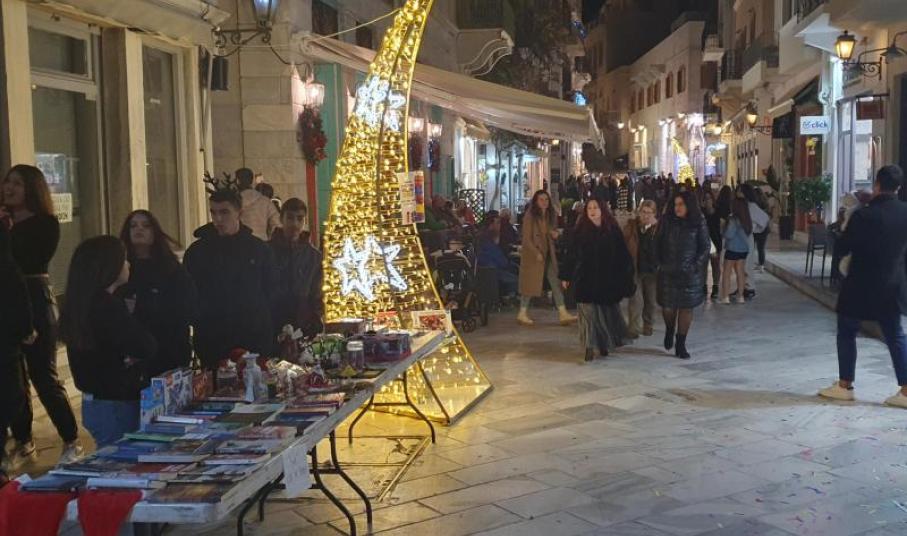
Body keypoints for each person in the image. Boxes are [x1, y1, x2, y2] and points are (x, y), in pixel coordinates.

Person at [0, 165, 81, 465]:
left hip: (35, 298)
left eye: (18, 184)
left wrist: (6, 231)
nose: (9, 188)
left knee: (42, 375)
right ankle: (23, 439)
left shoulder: (45, 223)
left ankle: (71, 438)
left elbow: (25, 259)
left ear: (32, 189)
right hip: (7, 301)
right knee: (12, 377)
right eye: (7, 182)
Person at [819, 166, 907, 408]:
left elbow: (842, 248)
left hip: (860, 283)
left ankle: (845, 385)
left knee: (847, 331)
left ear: (877, 185)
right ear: (898, 188)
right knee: (895, 335)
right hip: (892, 284)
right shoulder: (904, 213)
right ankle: (906, 390)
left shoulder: (863, 215)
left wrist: (844, 223)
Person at [59, 236, 158, 447]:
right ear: (110, 267)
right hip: (116, 402)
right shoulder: (107, 307)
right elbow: (145, 345)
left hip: (95, 400)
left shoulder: (80, 303)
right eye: (124, 259)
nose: (128, 264)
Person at [184, 187, 277, 370]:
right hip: (213, 339)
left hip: (253, 337)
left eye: (224, 212)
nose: (218, 219)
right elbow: (188, 293)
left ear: (239, 213)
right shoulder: (197, 252)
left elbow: (271, 290)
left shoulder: (259, 250)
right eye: (214, 212)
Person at [118, 210, 197, 375]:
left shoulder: (171, 268)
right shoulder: (120, 269)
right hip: (132, 354)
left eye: (145, 225)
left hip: (169, 350)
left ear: (155, 232)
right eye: (133, 226)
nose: (139, 229)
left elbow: (186, 307)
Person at [560, 198, 635, 361]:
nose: (592, 211)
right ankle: (588, 346)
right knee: (588, 315)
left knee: (604, 315)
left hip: (606, 280)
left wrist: (626, 275)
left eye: (595, 207)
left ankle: (603, 343)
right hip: (585, 279)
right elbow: (571, 254)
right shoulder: (580, 231)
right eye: (589, 208)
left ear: (602, 210)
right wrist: (566, 275)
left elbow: (623, 255)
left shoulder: (612, 230)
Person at [656, 191, 710, 360]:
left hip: (689, 274)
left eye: (681, 204)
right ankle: (669, 329)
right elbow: (656, 243)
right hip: (668, 272)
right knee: (668, 308)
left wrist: (695, 266)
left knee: (686, 308)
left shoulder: (698, 222)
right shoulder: (666, 221)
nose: (677, 208)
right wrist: (660, 264)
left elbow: (705, 246)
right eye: (675, 204)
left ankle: (681, 343)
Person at [517, 190, 575, 326]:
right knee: (530, 283)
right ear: (536, 202)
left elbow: (548, 233)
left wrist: (554, 234)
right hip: (534, 255)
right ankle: (522, 312)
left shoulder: (549, 215)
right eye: (541, 200)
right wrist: (535, 252)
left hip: (548, 253)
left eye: (546, 199)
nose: (544, 202)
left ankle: (563, 312)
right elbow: (526, 238)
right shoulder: (530, 216)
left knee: (555, 282)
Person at [0, 223, 31, 472]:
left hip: (7, 344)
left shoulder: (8, 269)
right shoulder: (9, 270)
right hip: (7, 347)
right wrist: (25, 330)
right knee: (11, 396)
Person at [270, 198, 324, 338]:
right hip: (272, 321)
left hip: (303, 324)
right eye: (290, 218)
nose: (294, 224)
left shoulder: (314, 256)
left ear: (305, 221)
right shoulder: (266, 251)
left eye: (300, 219)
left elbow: (317, 293)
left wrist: (315, 319)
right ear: (281, 219)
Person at [623, 200, 659, 338]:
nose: (646, 215)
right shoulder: (632, 226)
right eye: (643, 212)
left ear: (654, 214)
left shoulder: (658, 229)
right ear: (639, 212)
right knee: (635, 299)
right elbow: (623, 242)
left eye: (649, 213)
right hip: (635, 267)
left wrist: (655, 227)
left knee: (650, 299)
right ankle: (633, 327)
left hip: (652, 270)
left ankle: (648, 324)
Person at [476, 214, 518, 297]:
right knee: (517, 280)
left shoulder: (485, 237)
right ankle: (509, 298)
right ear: (491, 225)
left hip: (490, 270)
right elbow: (502, 262)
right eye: (498, 223)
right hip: (491, 272)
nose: (500, 226)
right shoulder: (486, 240)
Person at [720, 198, 753, 304]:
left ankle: (725, 297)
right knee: (740, 272)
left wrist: (723, 227)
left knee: (727, 273)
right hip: (743, 249)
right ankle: (740, 297)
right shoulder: (747, 219)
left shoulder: (733, 219)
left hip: (732, 248)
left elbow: (729, 234)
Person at [739, 184, 769, 299]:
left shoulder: (752, 206)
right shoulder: (740, 205)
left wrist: (754, 229)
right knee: (740, 265)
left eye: (740, 191)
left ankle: (749, 288)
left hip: (746, 238)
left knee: (747, 264)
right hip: (738, 239)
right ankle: (742, 285)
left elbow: (764, 219)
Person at [236, 167, 280, 241]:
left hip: (239, 242)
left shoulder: (233, 202)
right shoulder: (265, 201)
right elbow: (276, 224)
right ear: (251, 180)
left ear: (238, 181)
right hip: (261, 242)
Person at [702, 189, 722, 300]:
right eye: (705, 199)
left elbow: (721, 227)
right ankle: (703, 286)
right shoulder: (701, 213)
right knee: (703, 266)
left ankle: (715, 286)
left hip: (715, 242)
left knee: (715, 265)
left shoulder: (718, 212)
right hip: (704, 242)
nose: (707, 201)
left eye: (709, 198)